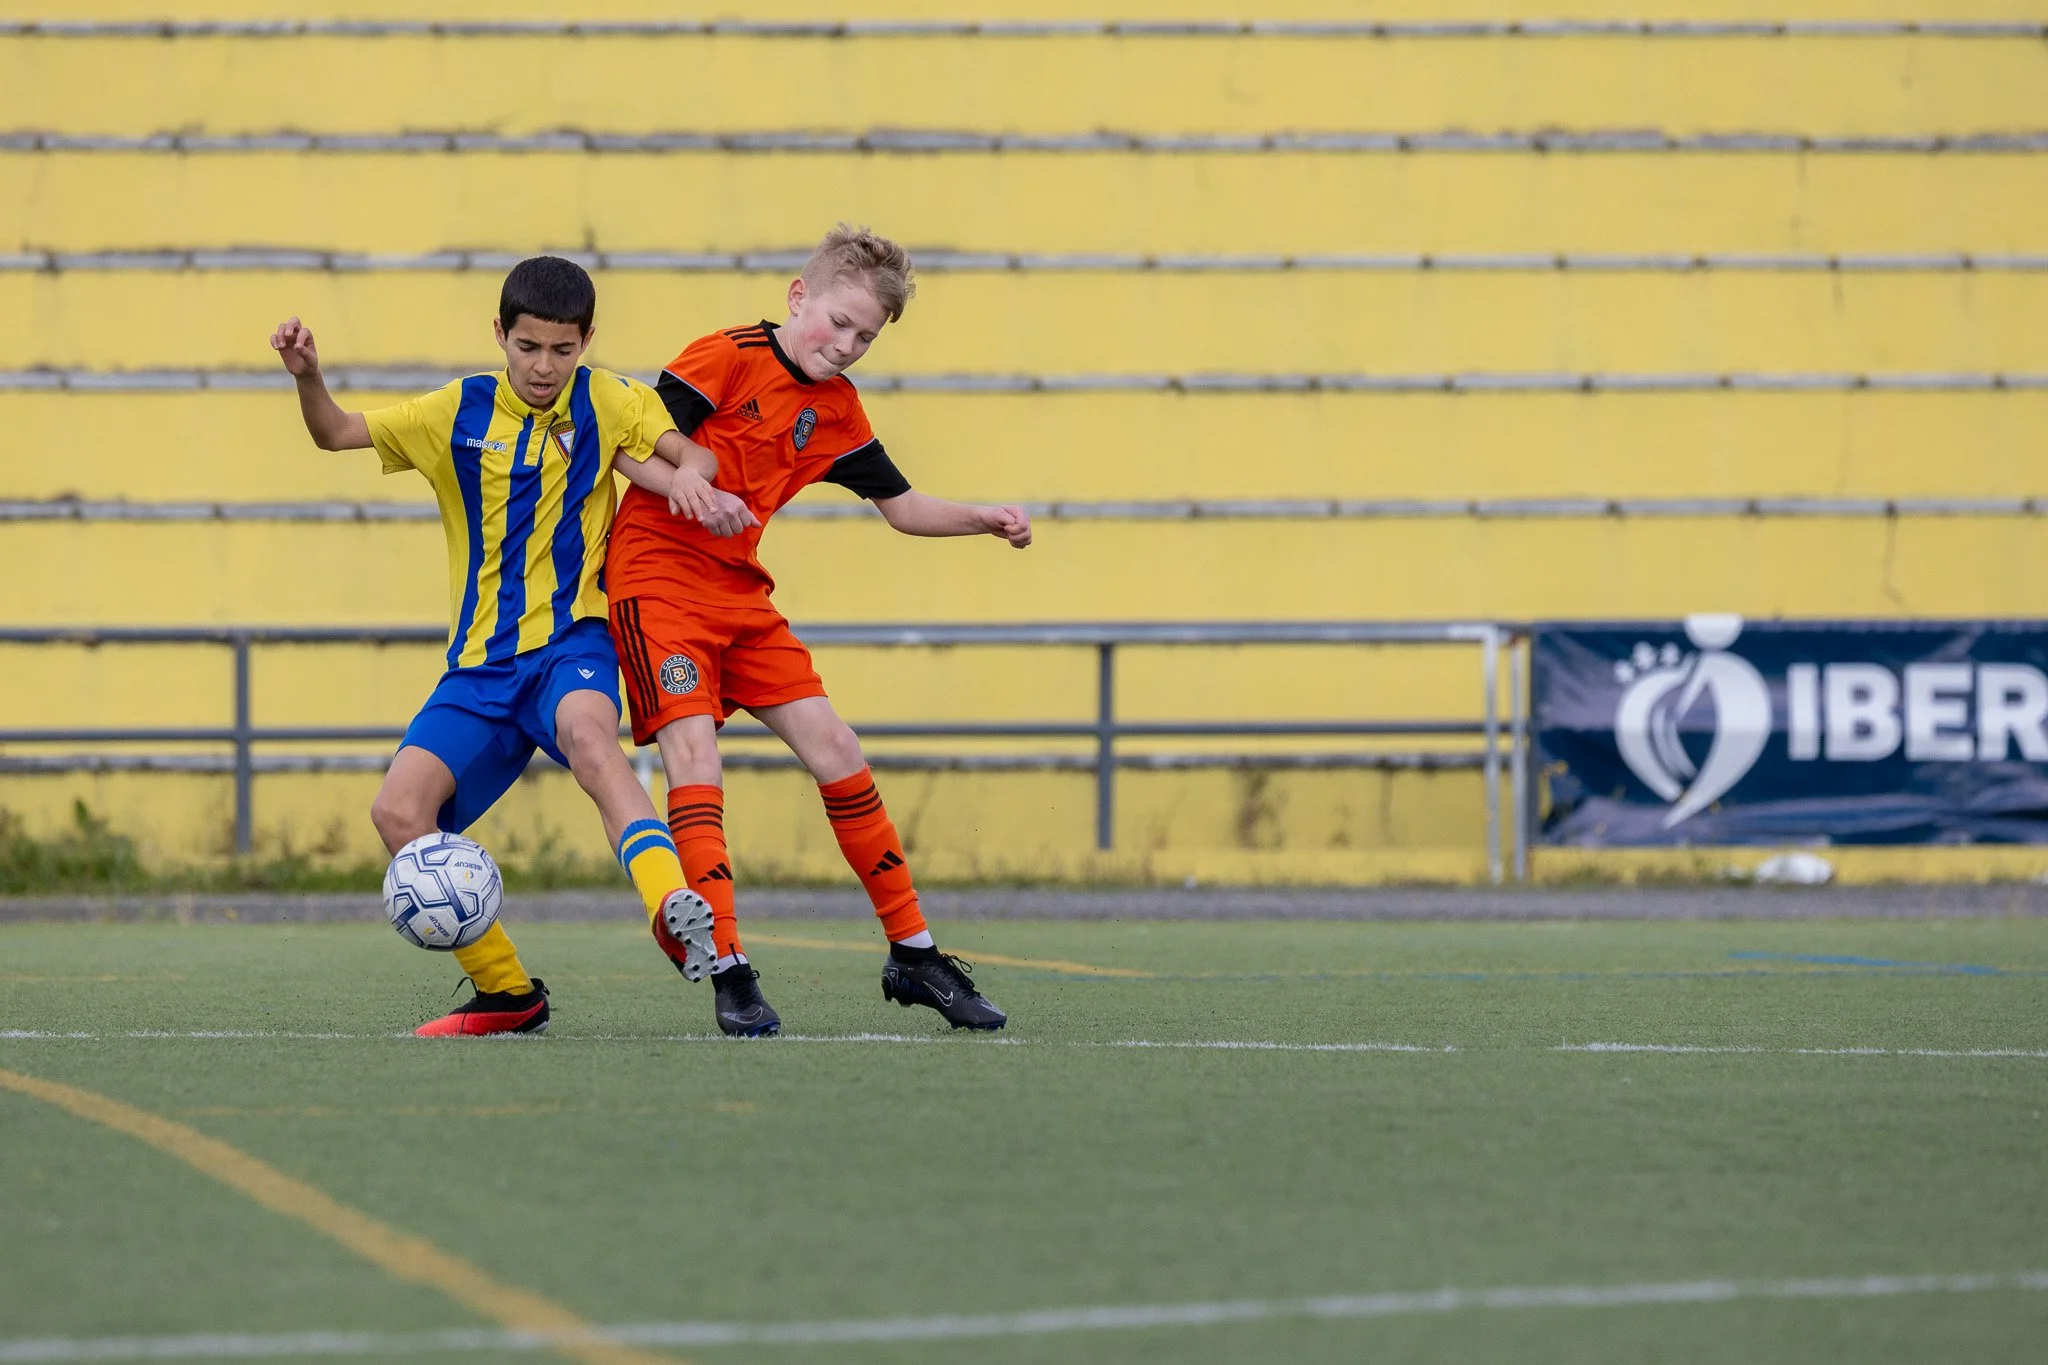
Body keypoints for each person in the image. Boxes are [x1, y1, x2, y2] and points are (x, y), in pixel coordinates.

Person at [269, 256, 756, 1036]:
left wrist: (694, 478)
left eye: (563, 351)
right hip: (481, 666)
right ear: (500, 334)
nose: (543, 367)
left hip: (574, 643)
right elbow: (335, 434)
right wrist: (307, 375)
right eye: (528, 347)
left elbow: (684, 453)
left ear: (587, 341)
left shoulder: (610, 397)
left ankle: (670, 904)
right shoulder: (454, 410)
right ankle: (508, 993)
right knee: (398, 813)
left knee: (591, 741)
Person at [607, 224, 1032, 1037]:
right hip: (655, 584)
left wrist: (982, 517)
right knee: (695, 754)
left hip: (740, 593)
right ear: (798, 297)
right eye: (838, 322)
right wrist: (687, 489)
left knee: (837, 746)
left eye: (866, 337)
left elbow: (902, 508)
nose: (847, 345)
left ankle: (914, 954)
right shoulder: (723, 356)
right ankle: (728, 968)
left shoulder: (836, 409)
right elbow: (623, 442)